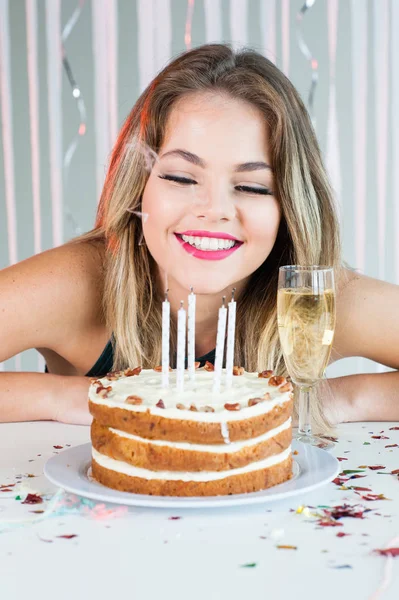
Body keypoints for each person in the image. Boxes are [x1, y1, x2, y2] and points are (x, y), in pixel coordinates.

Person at [0, 44, 398, 429]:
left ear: (290, 207)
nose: (214, 209)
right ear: (138, 187)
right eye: (181, 177)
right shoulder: (78, 285)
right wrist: (67, 397)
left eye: (253, 187)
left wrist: (336, 398)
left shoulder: (312, 303)